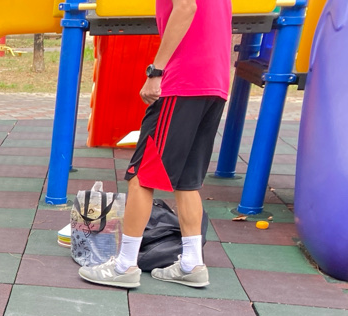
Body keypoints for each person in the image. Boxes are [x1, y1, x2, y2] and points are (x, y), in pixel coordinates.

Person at [79, 0, 233, 289]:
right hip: (215, 82)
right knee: (187, 181)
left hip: (182, 83)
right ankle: (191, 264)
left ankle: (124, 266)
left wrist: (156, 71)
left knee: (142, 176)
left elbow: (186, 7)